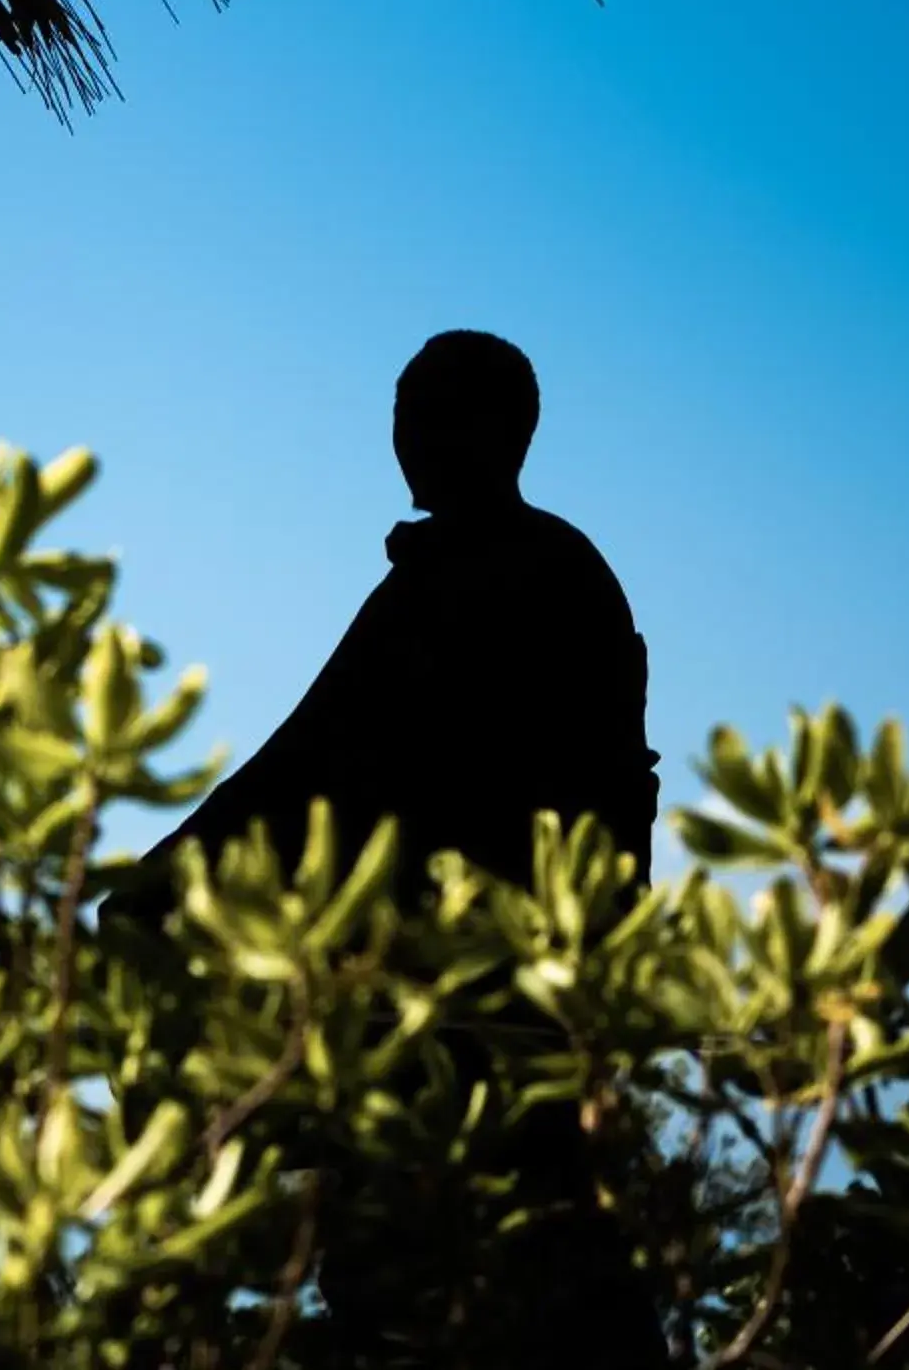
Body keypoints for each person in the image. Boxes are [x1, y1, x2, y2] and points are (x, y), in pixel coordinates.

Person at [107, 331, 667, 1363]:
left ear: (502, 431)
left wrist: (168, 875)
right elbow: (307, 761)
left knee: (473, 1262)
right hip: (482, 992)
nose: (408, 436)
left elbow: (306, 766)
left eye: (432, 412)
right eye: (404, 413)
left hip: (473, 992)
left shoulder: (502, 577)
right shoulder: (503, 574)